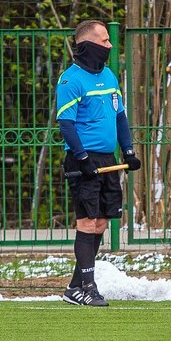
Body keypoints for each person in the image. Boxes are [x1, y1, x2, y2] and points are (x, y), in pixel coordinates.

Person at [56, 20, 140, 306]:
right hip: (83, 160)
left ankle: (74, 287)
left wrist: (128, 151)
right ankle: (88, 287)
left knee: (101, 222)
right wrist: (81, 157)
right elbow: (66, 124)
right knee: (87, 222)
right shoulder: (70, 80)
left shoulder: (109, 76)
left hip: (107, 160)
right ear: (88, 45)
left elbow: (120, 116)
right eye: (104, 41)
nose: (110, 45)